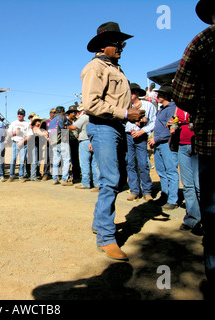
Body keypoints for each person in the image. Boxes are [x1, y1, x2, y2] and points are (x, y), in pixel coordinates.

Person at [81, 22, 145, 261]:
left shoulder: (116, 68)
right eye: (117, 43)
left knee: (116, 181)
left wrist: (132, 115)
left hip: (116, 127)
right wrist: (127, 114)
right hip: (103, 127)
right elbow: (91, 105)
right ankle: (107, 238)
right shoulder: (95, 67)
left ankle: (100, 224)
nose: (121, 47)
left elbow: (116, 104)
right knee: (110, 180)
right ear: (102, 45)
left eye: (122, 43)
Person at [172, 0, 215, 295]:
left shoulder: (204, 41)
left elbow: (182, 92)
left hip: (212, 140)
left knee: (212, 209)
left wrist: (200, 104)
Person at [147, 85, 179, 210]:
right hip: (159, 143)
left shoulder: (172, 109)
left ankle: (173, 200)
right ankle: (164, 196)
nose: (157, 96)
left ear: (166, 96)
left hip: (166, 143)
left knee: (171, 171)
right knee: (161, 171)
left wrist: (156, 139)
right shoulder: (162, 109)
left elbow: (172, 129)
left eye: (159, 94)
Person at [125, 83, 157, 202]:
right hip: (128, 135)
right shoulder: (125, 107)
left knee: (143, 164)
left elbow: (154, 121)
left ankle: (147, 191)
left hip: (141, 136)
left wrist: (143, 130)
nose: (130, 94)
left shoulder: (148, 106)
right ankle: (134, 190)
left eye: (132, 92)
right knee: (130, 164)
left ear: (137, 93)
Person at [68, 105, 99, 191]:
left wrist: (66, 127)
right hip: (94, 140)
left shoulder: (84, 117)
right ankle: (97, 184)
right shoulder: (95, 117)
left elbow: (73, 127)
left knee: (84, 163)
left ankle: (86, 183)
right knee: (95, 164)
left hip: (84, 141)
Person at [49, 106, 73, 186]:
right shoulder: (62, 117)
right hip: (62, 141)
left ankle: (54, 179)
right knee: (67, 160)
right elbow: (65, 128)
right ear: (62, 111)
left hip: (54, 142)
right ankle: (64, 179)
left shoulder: (52, 120)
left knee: (55, 161)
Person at [7, 108, 33, 182]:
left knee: (22, 160)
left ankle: (21, 176)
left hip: (23, 144)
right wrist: (15, 133)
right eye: (18, 113)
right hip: (15, 143)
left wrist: (22, 141)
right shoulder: (13, 123)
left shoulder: (26, 124)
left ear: (24, 115)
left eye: (21, 114)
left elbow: (29, 135)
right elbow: (9, 133)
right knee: (13, 159)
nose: (19, 115)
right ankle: (11, 176)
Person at [29, 115, 48, 182]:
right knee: (35, 161)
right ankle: (33, 176)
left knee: (36, 161)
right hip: (34, 145)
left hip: (35, 145)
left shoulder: (35, 128)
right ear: (35, 122)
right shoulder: (35, 128)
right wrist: (45, 133)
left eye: (39, 121)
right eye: (38, 121)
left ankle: (34, 175)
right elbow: (41, 134)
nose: (39, 122)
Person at [42, 108, 56, 181]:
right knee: (47, 158)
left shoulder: (57, 121)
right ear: (50, 113)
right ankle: (46, 174)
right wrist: (46, 138)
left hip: (56, 142)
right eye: (52, 112)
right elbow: (42, 131)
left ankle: (55, 174)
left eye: (55, 112)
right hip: (48, 142)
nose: (54, 114)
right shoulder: (46, 122)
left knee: (55, 158)